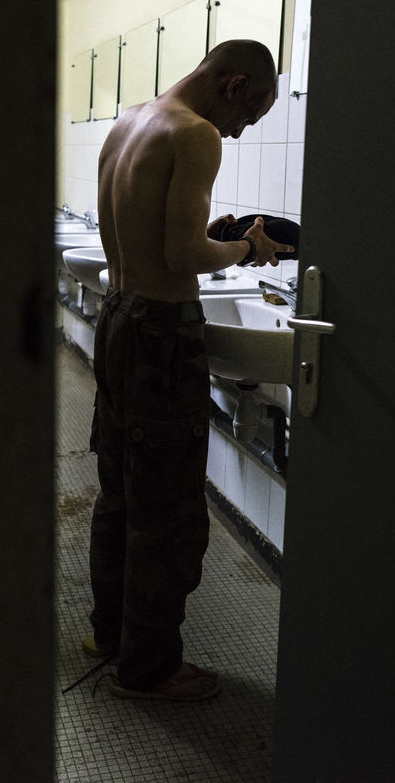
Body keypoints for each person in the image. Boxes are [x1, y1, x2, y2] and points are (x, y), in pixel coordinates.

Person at [84, 39, 293, 702]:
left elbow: (145, 236)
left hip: (118, 317)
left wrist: (216, 235)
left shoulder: (133, 120)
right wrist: (246, 248)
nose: (240, 131)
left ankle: (111, 636)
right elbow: (182, 258)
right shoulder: (196, 133)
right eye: (248, 115)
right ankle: (149, 669)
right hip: (161, 335)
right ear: (234, 86)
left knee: (119, 492)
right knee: (168, 510)